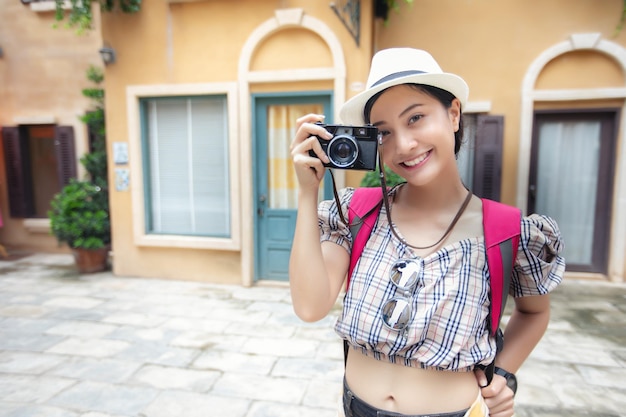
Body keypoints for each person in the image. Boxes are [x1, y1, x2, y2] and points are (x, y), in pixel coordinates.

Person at [289, 48, 565, 417]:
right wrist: (307, 193)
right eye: (384, 132)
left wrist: (503, 374)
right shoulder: (357, 214)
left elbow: (534, 313)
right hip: (356, 407)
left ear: (453, 113)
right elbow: (310, 306)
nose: (403, 145)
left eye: (416, 117)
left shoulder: (507, 231)